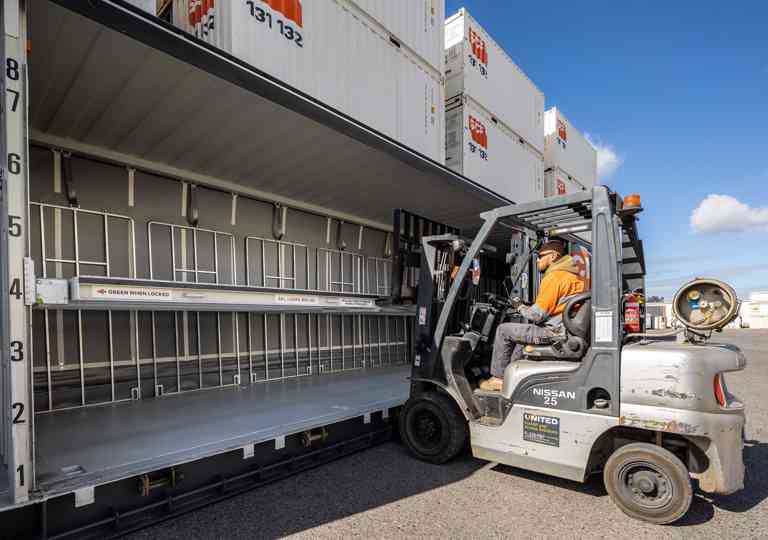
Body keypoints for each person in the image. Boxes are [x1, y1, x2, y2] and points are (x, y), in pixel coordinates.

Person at [479, 239, 586, 392]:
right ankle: (513, 376)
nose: (537, 261)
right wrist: (525, 306)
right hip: (564, 330)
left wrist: (519, 306)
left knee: (503, 330)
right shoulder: (573, 278)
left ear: (553, 256)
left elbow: (537, 315)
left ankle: (498, 379)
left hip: (553, 333)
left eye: (541, 256)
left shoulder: (555, 277)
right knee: (521, 336)